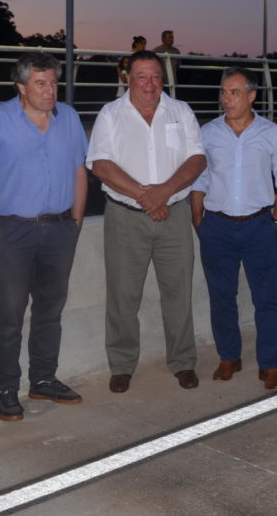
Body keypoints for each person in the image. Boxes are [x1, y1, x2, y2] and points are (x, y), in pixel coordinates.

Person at [0, 52, 89, 421]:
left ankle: (43, 378)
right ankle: (5, 388)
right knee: (9, 313)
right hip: (14, 230)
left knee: (49, 310)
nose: (50, 90)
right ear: (21, 87)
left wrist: (75, 221)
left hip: (59, 229)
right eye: (41, 83)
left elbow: (79, 171)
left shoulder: (69, 118)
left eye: (54, 82)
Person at [87, 50, 206, 393]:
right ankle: (122, 364)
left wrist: (164, 191)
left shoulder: (180, 111)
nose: (150, 83)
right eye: (142, 76)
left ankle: (183, 362)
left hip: (175, 215)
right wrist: (145, 195)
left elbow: (197, 159)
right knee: (123, 295)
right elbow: (100, 165)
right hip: (126, 218)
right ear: (128, 78)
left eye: (155, 76)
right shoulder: (111, 114)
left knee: (179, 292)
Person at [190, 67, 277, 391]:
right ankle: (229, 357)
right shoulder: (208, 133)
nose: (226, 98)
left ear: (251, 96)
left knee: (267, 299)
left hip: (258, 226)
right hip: (217, 226)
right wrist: (199, 221)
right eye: (223, 92)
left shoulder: (271, 133)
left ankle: (269, 364)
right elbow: (200, 179)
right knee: (222, 297)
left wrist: (275, 220)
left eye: (234, 92)